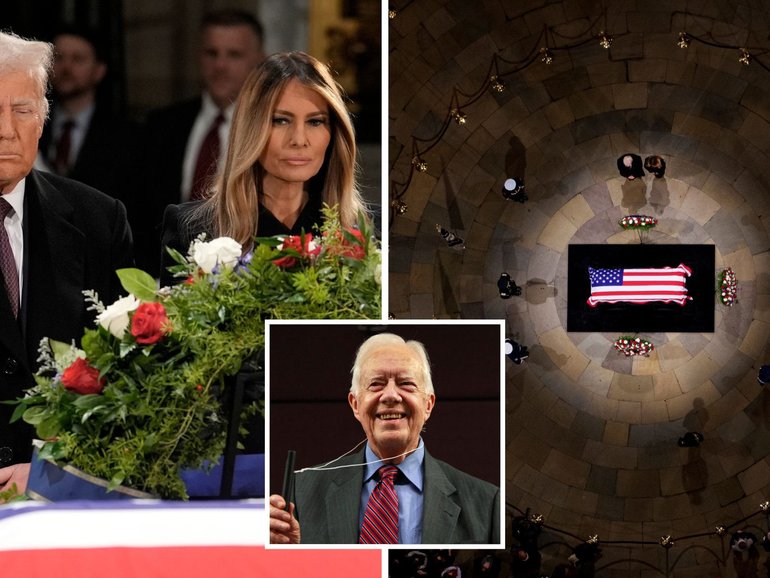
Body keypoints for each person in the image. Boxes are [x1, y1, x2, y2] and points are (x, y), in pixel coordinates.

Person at [0, 31, 134, 496]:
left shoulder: (99, 220)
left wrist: (47, 468)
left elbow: (124, 375)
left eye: (22, 110)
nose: (6, 129)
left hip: (66, 491)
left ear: (42, 120)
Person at [159, 50, 367, 285]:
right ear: (251, 129)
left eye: (315, 121)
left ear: (334, 133)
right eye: (281, 120)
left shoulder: (368, 230)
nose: (299, 139)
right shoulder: (192, 230)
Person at [269, 333, 500, 544]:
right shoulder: (302, 492)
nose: (390, 395)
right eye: (376, 384)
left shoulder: (486, 504)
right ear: (355, 404)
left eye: (406, 384)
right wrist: (287, 555)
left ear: (428, 404)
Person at [141, 9, 265, 274]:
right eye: (212, 53)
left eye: (234, 55)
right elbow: (142, 209)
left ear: (257, 60)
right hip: (164, 273)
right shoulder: (163, 124)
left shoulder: (268, 129)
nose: (220, 65)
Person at [36, 26, 138, 202]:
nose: (66, 67)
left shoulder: (127, 136)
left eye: (78, 59)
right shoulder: (31, 123)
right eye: (58, 58)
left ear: (99, 71)